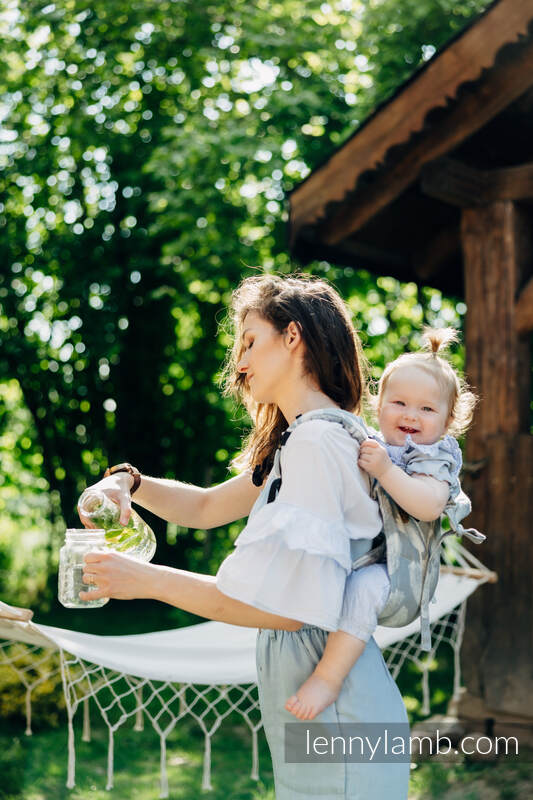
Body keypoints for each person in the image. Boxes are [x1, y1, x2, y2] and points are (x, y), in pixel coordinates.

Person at [79, 273, 410, 799]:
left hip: (342, 726)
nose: (240, 362)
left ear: (294, 336)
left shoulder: (317, 444)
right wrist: (130, 482)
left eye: (251, 341)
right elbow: (207, 506)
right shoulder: (310, 439)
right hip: (334, 722)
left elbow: (287, 609)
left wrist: (143, 580)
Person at [285, 326, 477, 721]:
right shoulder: (373, 442)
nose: (410, 414)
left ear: (448, 420)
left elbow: (428, 504)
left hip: (399, 580)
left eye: (427, 409)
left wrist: (387, 472)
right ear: (379, 404)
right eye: (400, 403)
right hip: (362, 556)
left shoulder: (434, 458)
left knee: (362, 589)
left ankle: (328, 678)